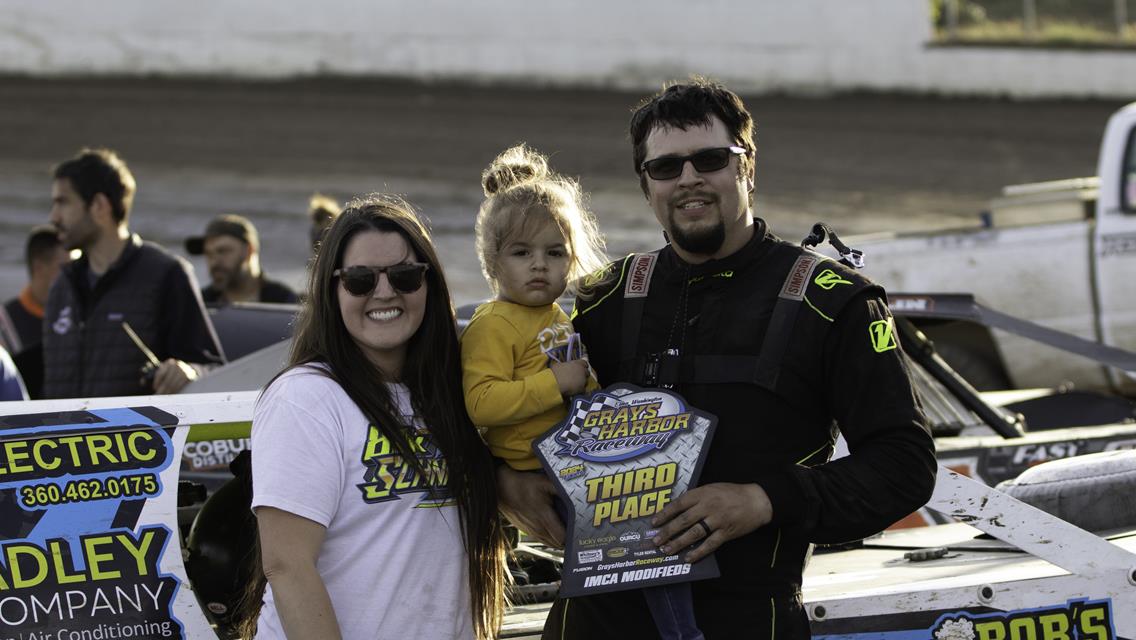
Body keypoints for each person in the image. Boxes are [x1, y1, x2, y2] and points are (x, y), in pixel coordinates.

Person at [498, 79, 937, 639]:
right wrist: (504, 484)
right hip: (595, 621)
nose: (688, 180)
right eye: (665, 168)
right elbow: (482, 404)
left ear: (746, 167)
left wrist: (764, 500)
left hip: (748, 617)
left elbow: (904, 464)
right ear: (646, 184)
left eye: (710, 159)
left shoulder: (833, 302)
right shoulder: (599, 300)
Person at [245, 193, 507, 640]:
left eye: (405, 276)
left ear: (430, 284)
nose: (384, 292)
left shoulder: (455, 392)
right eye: (360, 280)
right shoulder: (307, 399)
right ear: (332, 289)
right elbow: (287, 565)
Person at [461, 144, 606, 472]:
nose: (539, 265)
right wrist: (555, 384)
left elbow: (574, 374)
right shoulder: (493, 324)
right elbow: (481, 403)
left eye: (554, 253)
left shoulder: (555, 314)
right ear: (493, 262)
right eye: (522, 253)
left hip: (571, 455)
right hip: (529, 467)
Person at [43, 148, 224, 398]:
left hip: (139, 438)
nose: (53, 217)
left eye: (62, 202)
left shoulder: (166, 274)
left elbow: (214, 371)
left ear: (99, 206)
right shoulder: (62, 285)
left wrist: (189, 372)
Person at [0, 225, 68, 398]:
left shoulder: (78, 322)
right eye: (66, 267)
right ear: (39, 267)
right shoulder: (5, 323)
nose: (74, 274)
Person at [184, 213, 299, 305]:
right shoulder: (201, 305)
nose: (214, 262)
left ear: (249, 251)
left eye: (223, 251)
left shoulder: (284, 302)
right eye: (209, 254)